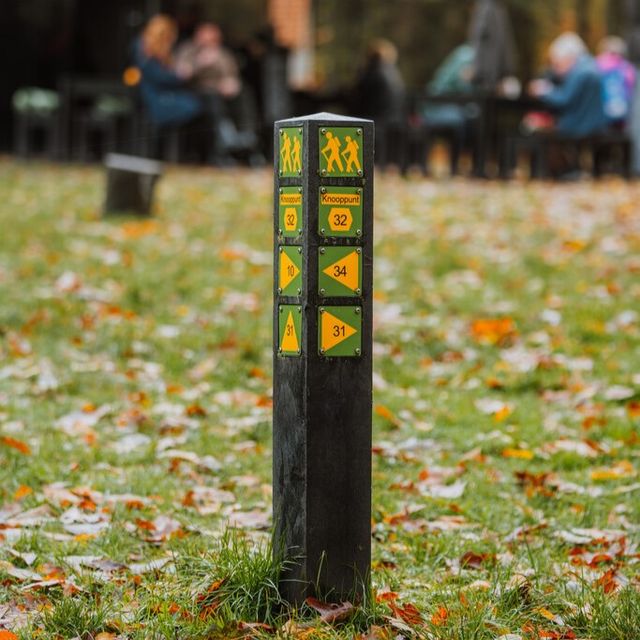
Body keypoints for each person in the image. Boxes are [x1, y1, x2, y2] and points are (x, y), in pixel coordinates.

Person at [529, 33, 607, 137]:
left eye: (557, 64)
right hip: (595, 126)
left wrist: (544, 91)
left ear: (568, 58)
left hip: (579, 129)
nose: (556, 70)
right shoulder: (591, 65)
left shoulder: (580, 72)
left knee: (533, 127)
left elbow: (564, 100)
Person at [133, 14, 201, 128]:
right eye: (171, 35)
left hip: (162, 95)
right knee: (192, 105)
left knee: (196, 103)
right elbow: (158, 77)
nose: (173, 39)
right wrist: (179, 75)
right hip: (154, 98)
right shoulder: (144, 49)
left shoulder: (156, 51)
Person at [174, 23, 241, 98]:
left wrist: (229, 82)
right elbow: (182, 73)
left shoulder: (222, 53)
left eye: (212, 40)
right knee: (212, 97)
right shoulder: (187, 50)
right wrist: (199, 63)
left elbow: (230, 72)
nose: (208, 44)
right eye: (205, 39)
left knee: (243, 93)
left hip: (218, 86)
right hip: (197, 86)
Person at [469, 0, 517, 91]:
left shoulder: (492, 8)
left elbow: (480, 38)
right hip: (488, 71)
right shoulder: (491, 7)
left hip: (489, 71)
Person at [596, 36, 636, 126]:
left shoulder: (598, 64)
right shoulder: (627, 67)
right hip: (624, 110)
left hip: (603, 111)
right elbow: (631, 87)